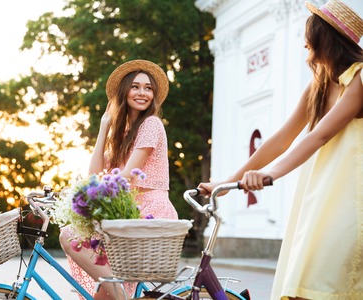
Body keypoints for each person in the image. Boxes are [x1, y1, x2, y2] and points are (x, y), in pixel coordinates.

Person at [198, 1, 363, 299]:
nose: (304, 42)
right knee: (302, 285)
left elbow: (319, 137)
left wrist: (268, 173)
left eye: (310, 34)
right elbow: (281, 138)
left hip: (351, 198)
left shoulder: (359, 79)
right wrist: (226, 182)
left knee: (327, 284)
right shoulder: (319, 86)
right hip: (319, 195)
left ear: (326, 37)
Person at [60, 59, 178, 300]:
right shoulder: (121, 137)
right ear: (124, 92)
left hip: (149, 214)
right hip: (126, 217)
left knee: (69, 235)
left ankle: (122, 296)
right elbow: (95, 175)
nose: (142, 92)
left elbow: (126, 177)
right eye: (135, 86)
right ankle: (120, 293)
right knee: (103, 297)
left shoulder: (152, 124)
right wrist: (105, 128)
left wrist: (90, 196)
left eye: (148, 88)